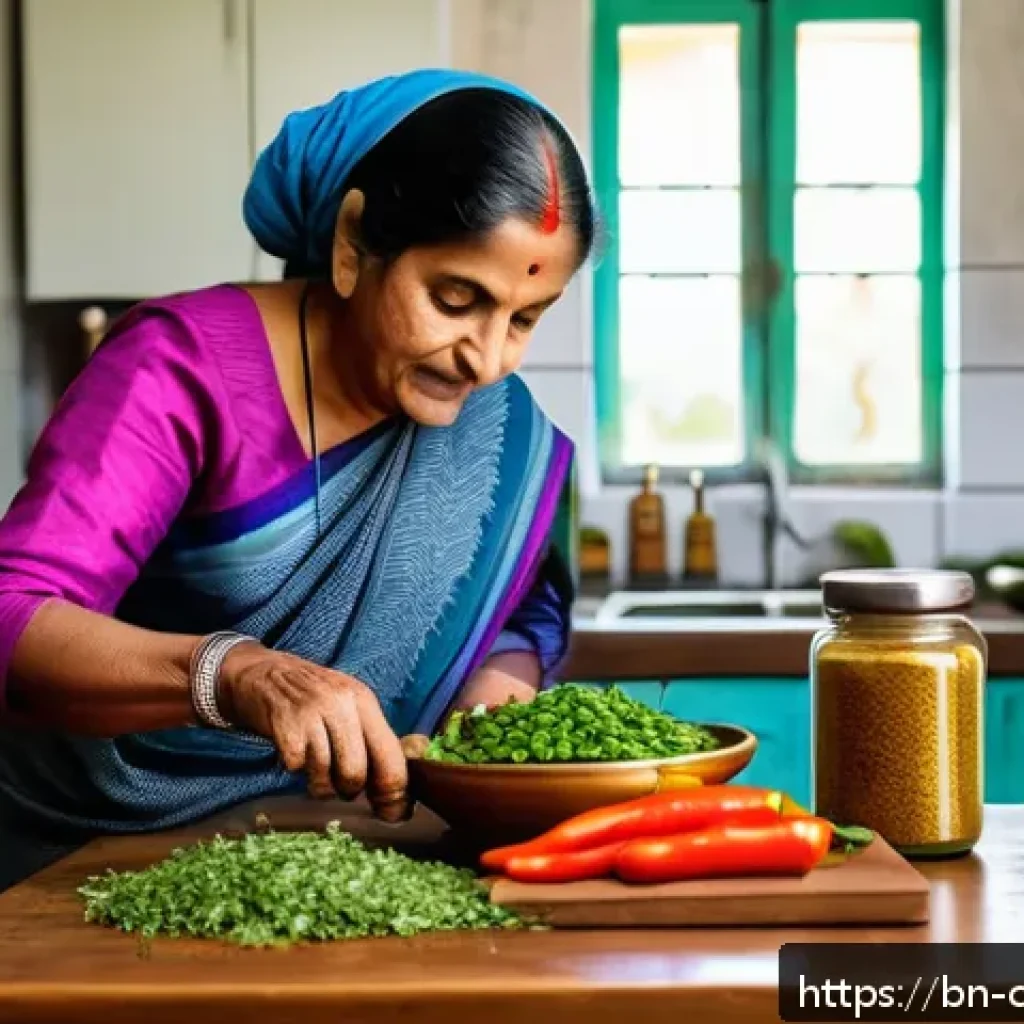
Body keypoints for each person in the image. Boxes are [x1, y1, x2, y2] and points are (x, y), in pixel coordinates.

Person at [0, 69, 598, 891]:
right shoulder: (182, 371)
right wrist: (235, 675)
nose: (487, 358)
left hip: (330, 860)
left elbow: (521, 606)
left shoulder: (504, 432)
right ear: (354, 244)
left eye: (524, 318)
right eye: (455, 299)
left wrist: (491, 704)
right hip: (67, 853)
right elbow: (16, 618)